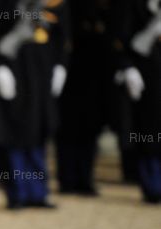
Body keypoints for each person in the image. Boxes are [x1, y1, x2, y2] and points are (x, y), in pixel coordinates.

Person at [0, 0, 71, 209]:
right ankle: (17, 192)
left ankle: (38, 192)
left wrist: (61, 65)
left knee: (39, 130)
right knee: (14, 132)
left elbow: (62, 37)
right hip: (13, 69)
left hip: (42, 72)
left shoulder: (53, 2)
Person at [56, 0, 126, 196]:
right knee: (69, 131)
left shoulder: (105, 10)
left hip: (97, 81)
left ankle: (85, 178)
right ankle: (68, 179)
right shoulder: (72, 8)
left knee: (90, 131)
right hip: (71, 79)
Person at [114, 0, 161, 203]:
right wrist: (127, 67)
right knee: (149, 131)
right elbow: (121, 38)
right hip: (148, 74)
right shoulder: (134, 4)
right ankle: (153, 184)